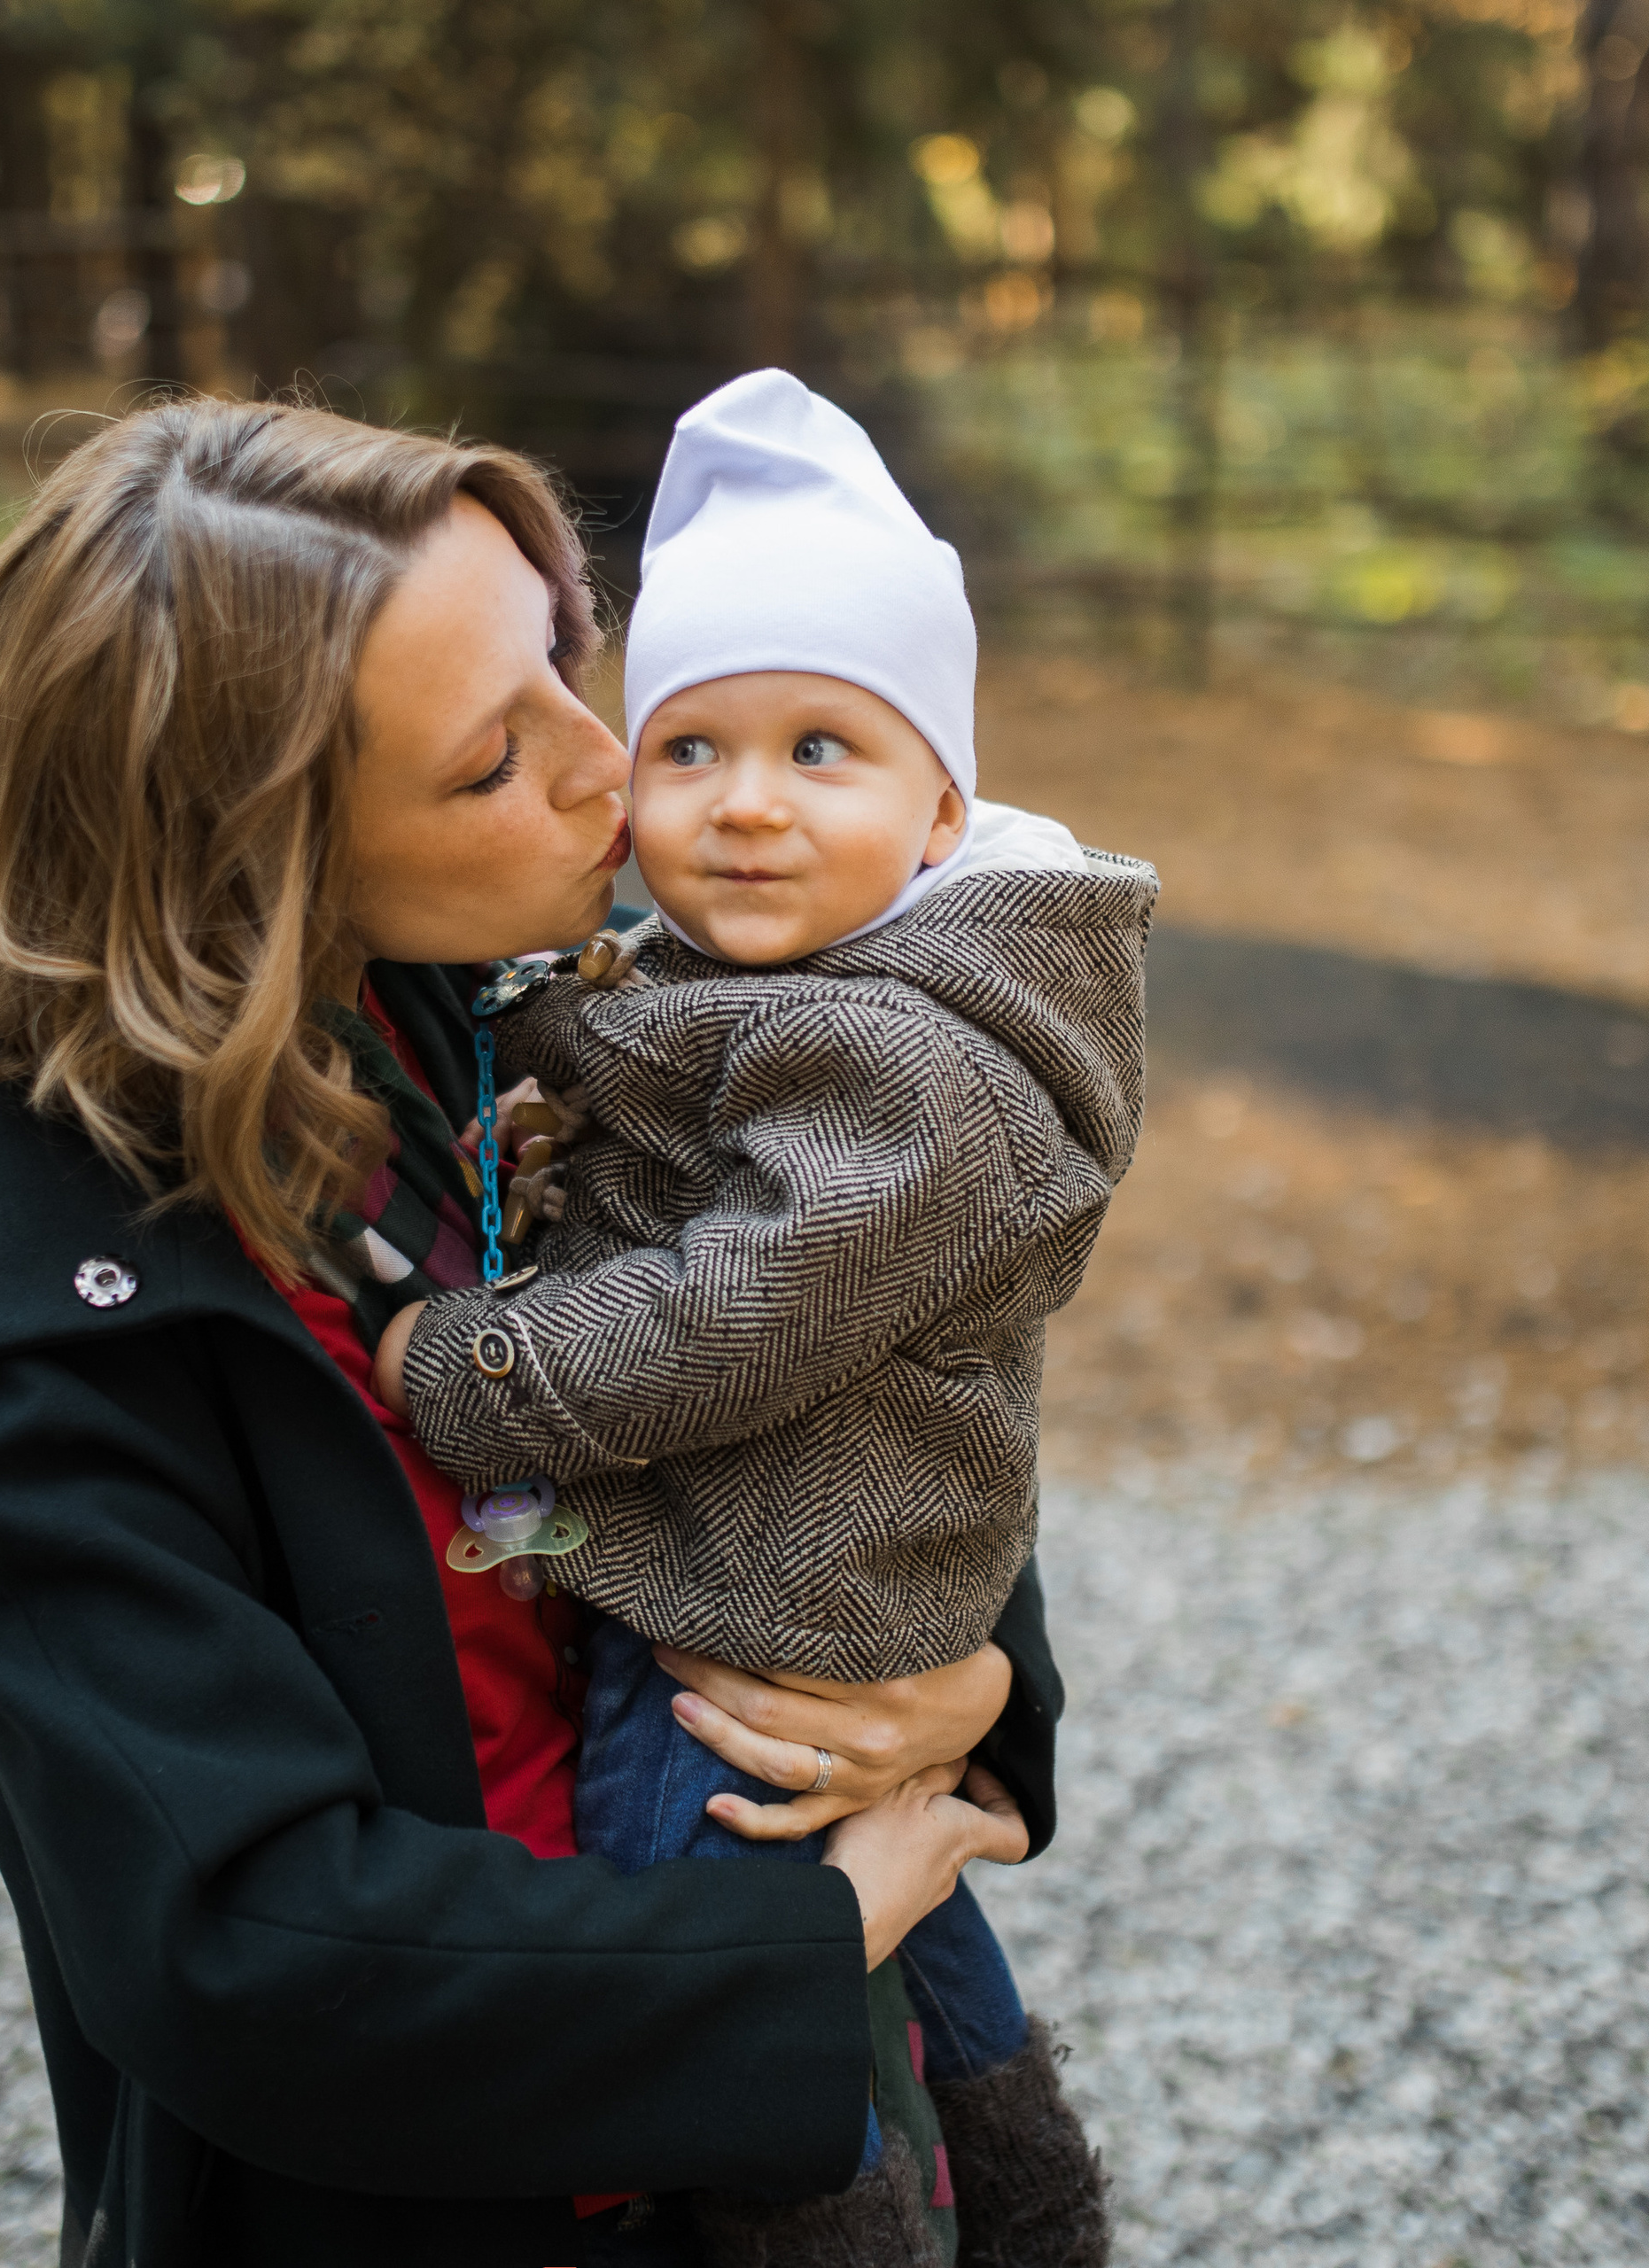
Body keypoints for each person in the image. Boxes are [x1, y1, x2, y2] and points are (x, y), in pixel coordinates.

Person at [0, 394, 1069, 2268]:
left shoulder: (514, 989)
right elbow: (246, 1939)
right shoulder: (23, 1257)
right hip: (465, 2185)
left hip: (777, 2007)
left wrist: (969, 1693)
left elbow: (860, 1340)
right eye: (494, 758)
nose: (613, 767)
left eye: (568, 658)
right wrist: (798, 1940)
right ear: (255, 865)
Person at [378, 371, 1149, 2264]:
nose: (742, 805)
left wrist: (478, 1367)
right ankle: (1030, 2191)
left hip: (767, 1600)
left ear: (939, 805)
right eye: (691, 747)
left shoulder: (899, 1058)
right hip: (824, 1567)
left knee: (704, 1929)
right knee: (906, 1914)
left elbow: (744, 1308)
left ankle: (822, 2228)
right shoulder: (766, 983)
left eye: (822, 750)